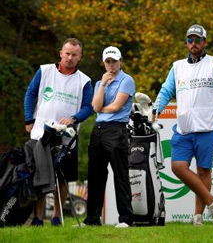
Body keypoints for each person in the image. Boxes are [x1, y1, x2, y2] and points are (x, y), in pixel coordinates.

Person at [153, 24, 213, 226]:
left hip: (208, 126)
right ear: (186, 42)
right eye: (190, 40)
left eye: (197, 40)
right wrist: (155, 112)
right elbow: (165, 91)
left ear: (204, 42)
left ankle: (198, 217)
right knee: (178, 167)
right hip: (184, 127)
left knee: (204, 170)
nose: (193, 43)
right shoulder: (177, 66)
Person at [24, 38, 94, 226]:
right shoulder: (45, 70)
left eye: (74, 55)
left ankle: (57, 217)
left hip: (67, 137)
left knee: (63, 179)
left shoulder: (84, 81)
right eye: (67, 53)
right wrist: (28, 119)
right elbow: (31, 93)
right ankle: (37, 218)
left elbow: (89, 107)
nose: (70, 57)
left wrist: (74, 118)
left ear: (80, 57)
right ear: (61, 53)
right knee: (38, 175)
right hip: (41, 134)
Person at [82, 46, 135, 228]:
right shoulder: (99, 83)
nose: (111, 65)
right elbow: (95, 107)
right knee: (95, 175)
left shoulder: (127, 80)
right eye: (108, 61)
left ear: (120, 61)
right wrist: (103, 85)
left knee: (120, 175)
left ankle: (126, 219)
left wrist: (101, 109)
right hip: (99, 130)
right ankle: (92, 219)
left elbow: (116, 107)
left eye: (114, 61)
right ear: (104, 63)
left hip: (117, 130)